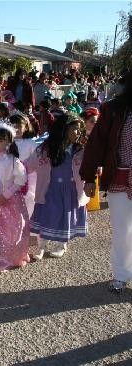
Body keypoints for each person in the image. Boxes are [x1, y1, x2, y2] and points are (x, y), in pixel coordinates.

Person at [80, 71, 132, 293]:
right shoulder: (114, 109)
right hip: (120, 176)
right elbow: (96, 144)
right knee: (122, 230)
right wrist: (89, 177)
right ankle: (121, 274)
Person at [27, 115, 89, 260]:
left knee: (65, 216)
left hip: (71, 190)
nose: (78, 133)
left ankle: (62, 245)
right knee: (46, 216)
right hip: (49, 188)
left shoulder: (80, 150)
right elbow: (30, 164)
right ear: (64, 129)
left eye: (80, 130)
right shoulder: (45, 149)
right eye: (75, 129)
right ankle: (40, 246)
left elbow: (89, 165)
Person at [0, 123, 30, 273]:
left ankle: (8, 257)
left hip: (9, 201)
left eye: (0, 141)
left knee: (11, 230)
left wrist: (6, 195)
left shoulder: (13, 161)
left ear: (9, 142)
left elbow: (20, 180)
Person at [11, 113, 38, 217]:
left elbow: (36, 159)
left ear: (26, 127)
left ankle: (28, 219)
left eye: (18, 126)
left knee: (28, 198)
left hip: (28, 176)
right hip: (11, 175)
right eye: (12, 126)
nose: (15, 129)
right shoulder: (8, 142)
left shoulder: (31, 143)